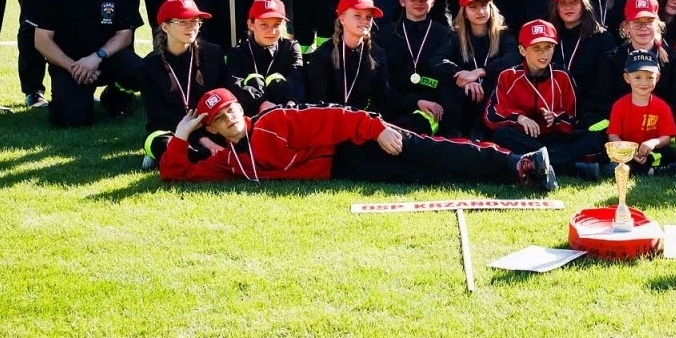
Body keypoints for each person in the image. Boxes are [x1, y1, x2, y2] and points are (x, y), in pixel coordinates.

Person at [155, 86, 556, 190]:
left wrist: (377, 129)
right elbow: (176, 175)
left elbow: (334, 117)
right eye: (219, 120)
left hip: (354, 141)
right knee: (426, 176)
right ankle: (514, 174)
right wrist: (181, 134)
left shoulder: (275, 121)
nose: (229, 120)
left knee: (428, 150)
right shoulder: (227, 162)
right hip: (346, 168)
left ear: (241, 109)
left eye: (231, 110)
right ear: (211, 129)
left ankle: (515, 161)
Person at [27, 0, 142, 127]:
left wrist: (96, 58)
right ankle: (73, 98)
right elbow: (42, 40)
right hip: (70, 65)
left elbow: (124, 35)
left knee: (140, 72)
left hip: (106, 58)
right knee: (73, 120)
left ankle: (115, 94)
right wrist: (74, 67)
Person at [484, 19, 605, 178]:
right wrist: (518, 118)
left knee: (593, 138)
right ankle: (571, 167)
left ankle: (538, 162)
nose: (544, 53)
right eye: (536, 48)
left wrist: (555, 119)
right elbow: (491, 116)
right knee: (502, 135)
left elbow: (573, 119)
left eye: (548, 47)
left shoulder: (563, 76)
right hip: (524, 138)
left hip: (555, 139)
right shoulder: (508, 76)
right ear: (522, 50)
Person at [587, 0, 676, 141]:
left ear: (657, 25)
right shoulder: (612, 59)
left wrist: (654, 123)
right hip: (622, 127)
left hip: (661, 129)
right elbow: (602, 101)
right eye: (637, 23)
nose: (643, 28)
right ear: (626, 26)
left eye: (648, 22)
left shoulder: (674, 59)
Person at [372, 0, 457, 135]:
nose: (419, 2)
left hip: (431, 108)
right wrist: (414, 101)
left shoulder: (445, 35)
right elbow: (382, 82)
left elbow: (447, 79)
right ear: (402, 0)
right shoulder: (386, 35)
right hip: (395, 104)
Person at [138, 0, 229, 142]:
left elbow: (222, 100)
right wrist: (199, 139)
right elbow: (158, 118)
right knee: (160, 142)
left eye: (195, 21)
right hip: (173, 130)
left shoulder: (213, 53)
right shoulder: (148, 66)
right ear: (165, 26)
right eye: (182, 22)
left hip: (210, 126)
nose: (191, 27)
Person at [440, 0, 515, 137]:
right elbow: (438, 60)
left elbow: (513, 58)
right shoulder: (455, 36)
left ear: (491, 8)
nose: (480, 11)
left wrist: (480, 72)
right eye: (473, 7)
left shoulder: (504, 34)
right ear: (465, 12)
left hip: (493, 97)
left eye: (484, 5)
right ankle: (454, 135)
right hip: (467, 96)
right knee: (450, 88)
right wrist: (464, 76)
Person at [304, 0, 392, 113]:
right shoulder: (322, 55)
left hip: (364, 123)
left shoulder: (377, 54)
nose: (365, 21)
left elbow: (381, 100)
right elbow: (316, 99)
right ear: (342, 19)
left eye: (369, 17)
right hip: (329, 120)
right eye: (357, 15)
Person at [227, 0, 306, 115]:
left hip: (286, 112)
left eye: (277, 25)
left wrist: (291, 102)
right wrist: (261, 103)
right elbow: (234, 85)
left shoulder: (290, 47)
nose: (272, 31)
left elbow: (297, 78)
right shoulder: (238, 52)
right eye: (264, 25)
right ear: (251, 25)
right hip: (252, 114)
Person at [605, 47, 676, 172]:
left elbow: (666, 138)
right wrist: (629, 150)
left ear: (657, 78)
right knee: (612, 157)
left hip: (652, 151)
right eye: (638, 77)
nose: (644, 83)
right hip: (628, 152)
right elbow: (613, 136)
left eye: (650, 77)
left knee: (669, 153)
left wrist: (653, 143)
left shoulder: (662, 106)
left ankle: (652, 169)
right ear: (627, 78)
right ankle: (652, 171)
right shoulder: (619, 105)